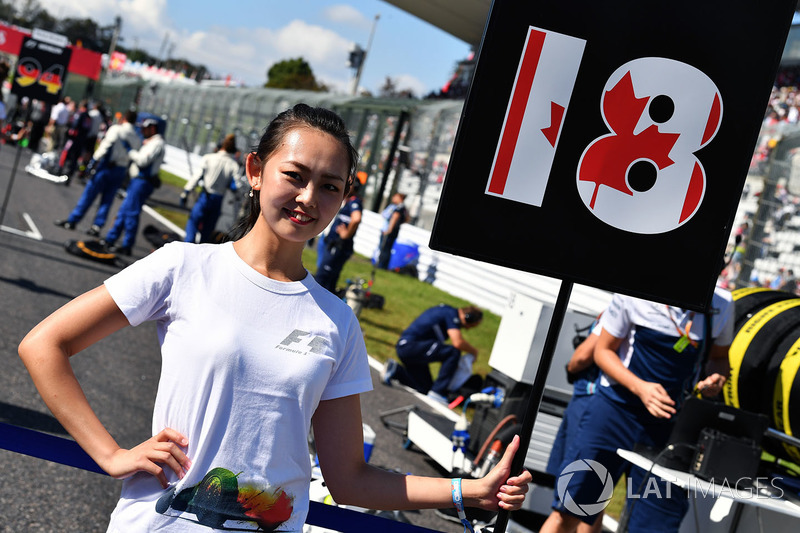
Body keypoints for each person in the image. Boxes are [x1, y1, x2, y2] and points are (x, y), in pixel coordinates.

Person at [18, 104, 531, 532]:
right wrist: (109, 454)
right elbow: (43, 345)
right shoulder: (183, 266)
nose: (310, 197)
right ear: (255, 171)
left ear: (345, 199)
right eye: (295, 175)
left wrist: (469, 491)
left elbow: (348, 478)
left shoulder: (336, 322)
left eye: (331, 186)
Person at [539, 288, 733, 533]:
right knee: (573, 509)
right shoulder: (636, 291)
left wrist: (717, 378)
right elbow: (602, 351)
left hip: (668, 428)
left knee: (653, 525)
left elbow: (719, 358)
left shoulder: (723, 303)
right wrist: (640, 388)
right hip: (614, 414)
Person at [53, 110, 141, 236]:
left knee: (89, 195)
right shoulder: (136, 138)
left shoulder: (116, 129)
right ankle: (97, 226)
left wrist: (92, 163)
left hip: (106, 166)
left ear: (125, 118)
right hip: (120, 170)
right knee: (107, 199)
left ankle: (73, 220)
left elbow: (105, 146)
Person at [382, 304, 483, 404]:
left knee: (425, 388)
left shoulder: (446, 311)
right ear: (468, 318)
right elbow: (458, 342)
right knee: (453, 352)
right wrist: (474, 352)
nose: (468, 328)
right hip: (410, 347)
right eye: (471, 325)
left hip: (411, 349)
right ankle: (438, 392)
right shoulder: (451, 314)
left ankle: (395, 370)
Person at [101, 118, 165, 256]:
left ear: (152, 129)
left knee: (131, 213)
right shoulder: (151, 142)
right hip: (137, 180)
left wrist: (130, 150)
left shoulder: (157, 144)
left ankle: (127, 245)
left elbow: (143, 161)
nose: (142, 131)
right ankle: (110, 239)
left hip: (143, 181)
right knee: (123, 211)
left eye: (144, 128)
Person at [180, 133, 241, 243]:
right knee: (207, 233)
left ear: (220, 146)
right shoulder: (233, 165)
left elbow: (197, 177)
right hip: (218, 201)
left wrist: (186, 192)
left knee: (192, 224)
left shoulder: (208, 158)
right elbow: (237, 186)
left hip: (205, 197)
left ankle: (187, 248)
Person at [314, 178, 363, 292]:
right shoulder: (348, 201)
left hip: (339, 245)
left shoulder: (355, 202)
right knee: (330, 278)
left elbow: (356, 219)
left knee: (323, 277)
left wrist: (345, 234)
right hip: (334, 243)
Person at [376, 192, 408, 270]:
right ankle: (383, 265)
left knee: (384, 248)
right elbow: (406, 218)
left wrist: (389, 230)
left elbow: (394, 218)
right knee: (386, 248)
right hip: (393, 231)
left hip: (389, 231)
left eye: (395, 196)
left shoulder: (399, 207)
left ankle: (381, 266)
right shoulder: (403, 208)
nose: (393, 198)